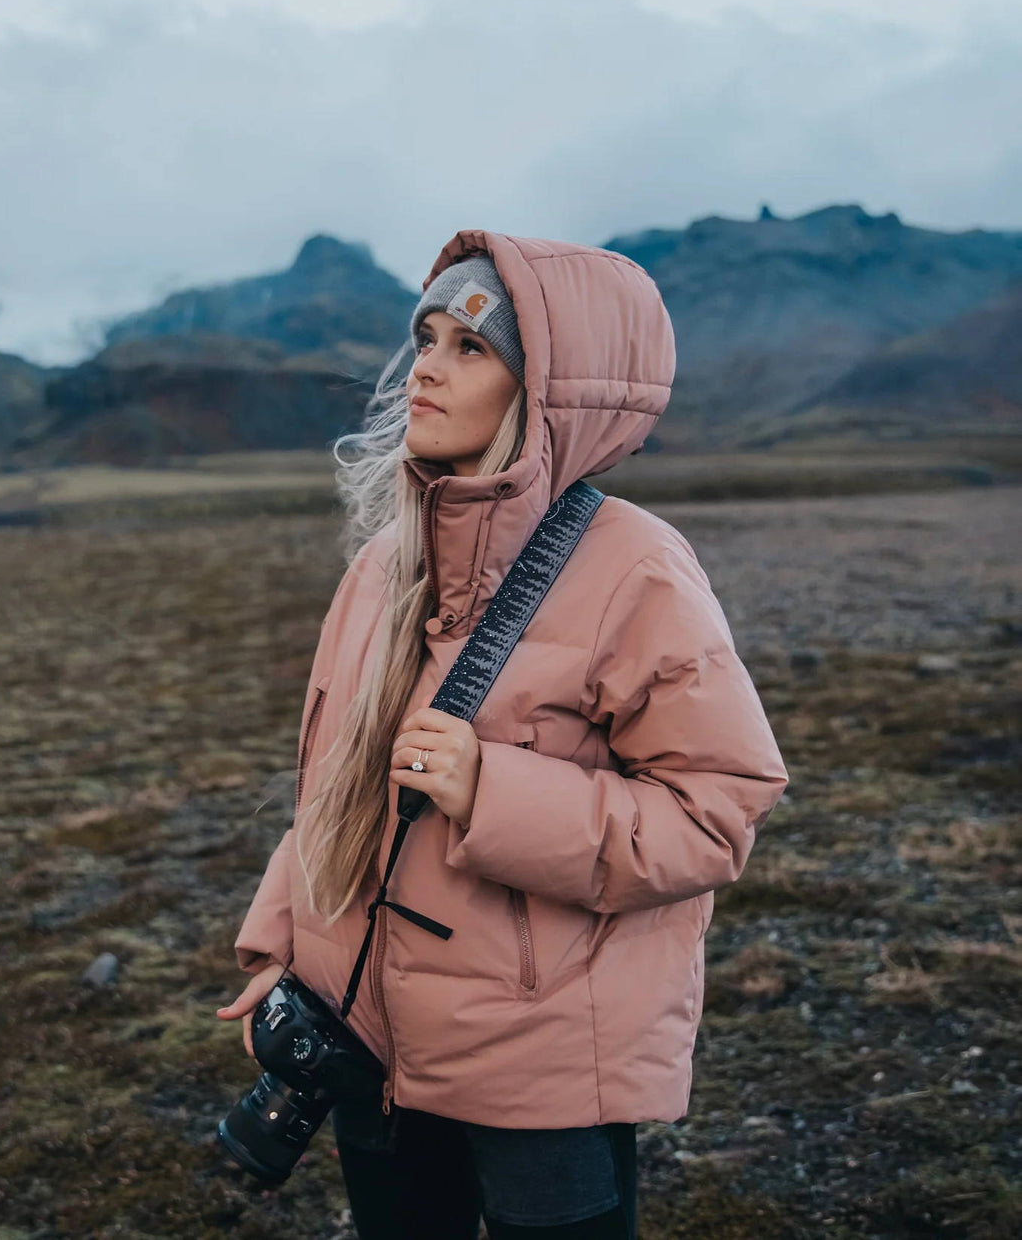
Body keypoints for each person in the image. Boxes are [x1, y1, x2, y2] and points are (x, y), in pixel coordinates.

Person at [216, 230, 789, 1238]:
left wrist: (495, 791)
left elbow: (714, 811)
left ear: (550, 390)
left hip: (544, 1063)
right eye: (423, 336)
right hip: (369, 1038)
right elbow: (334, 789)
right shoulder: (382, 567)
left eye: (470, 346)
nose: (425, 367)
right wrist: (285, 948)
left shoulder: (637, 570)